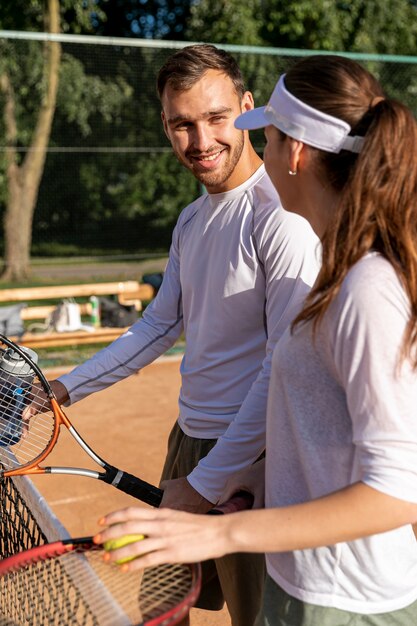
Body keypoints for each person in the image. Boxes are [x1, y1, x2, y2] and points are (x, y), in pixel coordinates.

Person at [95, 54, 417, 626]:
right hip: (308, 581)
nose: (255, 152)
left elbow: (398, 492)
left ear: (294, 152)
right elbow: (315, 421)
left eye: (262, 137)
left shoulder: (366, 288)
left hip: (343, 600)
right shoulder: (340, 272)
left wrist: (223, 525)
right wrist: (239, 483)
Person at [44, 45, 320, 625]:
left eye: (216, 119)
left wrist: (210, 480)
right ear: (165, 126)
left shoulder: (281, 219)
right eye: (182, 125)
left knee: (260, 619)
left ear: (248, 110)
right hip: (188, 442)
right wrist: (66, 388)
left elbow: (282, 364)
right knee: (163, 611)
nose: (200, 142)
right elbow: (157, 325)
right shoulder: (192, 221)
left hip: (258, 456)